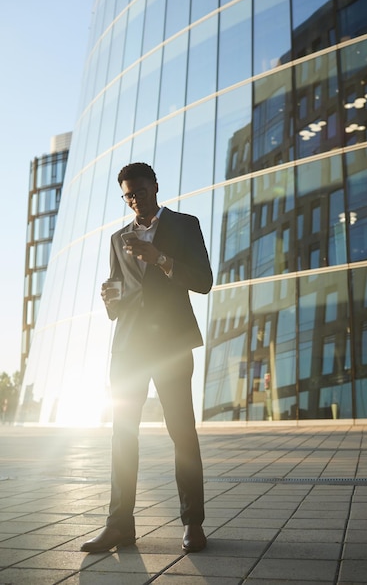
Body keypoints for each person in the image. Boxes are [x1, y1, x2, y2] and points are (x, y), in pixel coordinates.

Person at [81, 162, 212, 554]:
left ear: (156, 186)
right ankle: (119, 525)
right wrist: (110, 301)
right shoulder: (117, 238)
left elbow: (203, 281)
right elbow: (120, 299)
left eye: (141, 190)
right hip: (128, 349)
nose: (136, 199)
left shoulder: (185, 225)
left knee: (182, 433)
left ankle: (193, 524)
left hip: (170, 345)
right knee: (123, 436)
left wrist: (160, 259)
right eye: (129, 194)